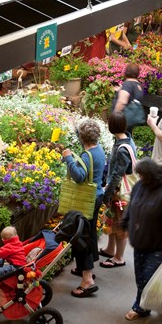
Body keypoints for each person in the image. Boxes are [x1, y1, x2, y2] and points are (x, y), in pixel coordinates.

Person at [122, 158, 162, 321]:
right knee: (141, 277)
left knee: (148, 278)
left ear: (150, 175)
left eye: (141, 175)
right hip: (140, 240)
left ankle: (141, 306)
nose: (139, 178)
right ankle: (155, 302)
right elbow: (131, 204)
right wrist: (125, 222)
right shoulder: (140, 185)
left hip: (157, 245)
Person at [62, 119, 106, 297]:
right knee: (90, 233)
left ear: (82, 138)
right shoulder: (99, 149)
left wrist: (68, 159)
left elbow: (79, 177)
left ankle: (87, 280)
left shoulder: (87, 156)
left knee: (82, 237)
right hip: (97, 195)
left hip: (85, 200)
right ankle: (84, 267)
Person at [99, 110, 136, 268]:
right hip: (118, 191)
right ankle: (110, 249)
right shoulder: (126, 139)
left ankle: (119, 257)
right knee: (113, 220)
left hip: (120, 192)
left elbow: (116, 175)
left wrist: (106, 194)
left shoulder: (122, 149)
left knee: (121, 223)